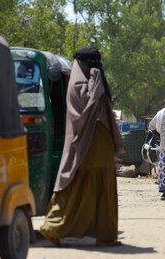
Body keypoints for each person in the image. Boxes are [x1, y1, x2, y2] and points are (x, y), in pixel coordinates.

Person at [40, 46, 124, 247]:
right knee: (75, 185)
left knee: (102, 187)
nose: (96, 69)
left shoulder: (93, 82)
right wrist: (96, 77)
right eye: (92, 65)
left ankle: (104, 235)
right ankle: (53, 228)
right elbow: (87, 107)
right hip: (84, 145)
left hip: (100, 144)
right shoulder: (78, 83)